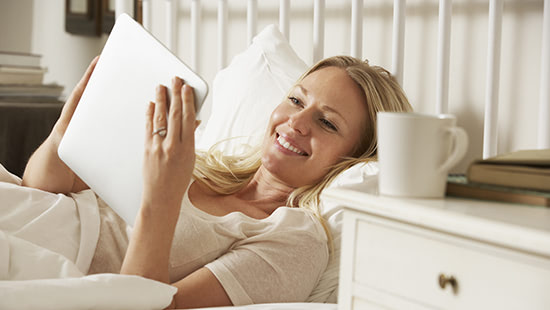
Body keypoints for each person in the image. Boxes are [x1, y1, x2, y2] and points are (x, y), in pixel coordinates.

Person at [21, 55, 412, 308]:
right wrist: (63, 135)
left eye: (327, 122)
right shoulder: (201, 163)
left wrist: (162, 195)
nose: (296, 122)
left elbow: (146, 305)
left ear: (354, 158)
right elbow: (40, 188)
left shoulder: (296, 240)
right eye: (296, 100)